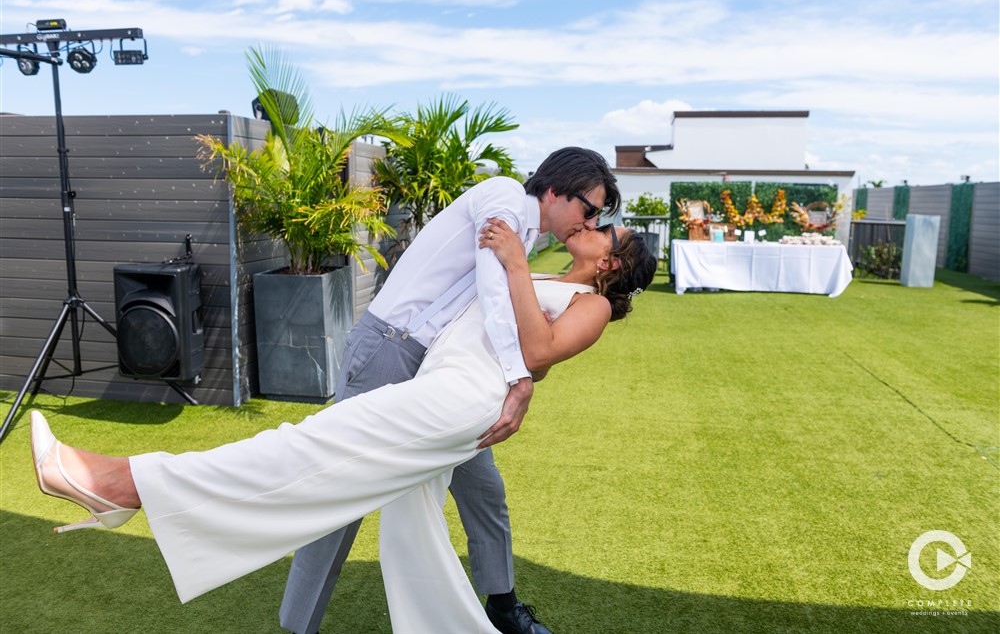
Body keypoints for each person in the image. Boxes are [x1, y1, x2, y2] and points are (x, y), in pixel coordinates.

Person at [30, 219, 657, 633]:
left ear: (612, 265)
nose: (594, 226)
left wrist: (517, 266)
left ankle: (124, 483)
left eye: (609, 232)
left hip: (458, 399)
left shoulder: (592, 304)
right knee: (415, 535)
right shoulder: (543, 271)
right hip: (436, 386)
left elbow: (540, 353)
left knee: (308, 445)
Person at [281, 147, 620, 634]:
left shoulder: (529, 240)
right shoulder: (504, 198)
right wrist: (518, 378)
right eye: (589, 210)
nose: (588, 224)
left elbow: (523, 326)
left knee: (484, 490)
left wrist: (522, 371)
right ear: (554, 190)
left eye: (599, 219)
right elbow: (492, 287)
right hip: (390, 351)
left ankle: (503, 605)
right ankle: (299, 626)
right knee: (340, 489)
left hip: (440, 373)